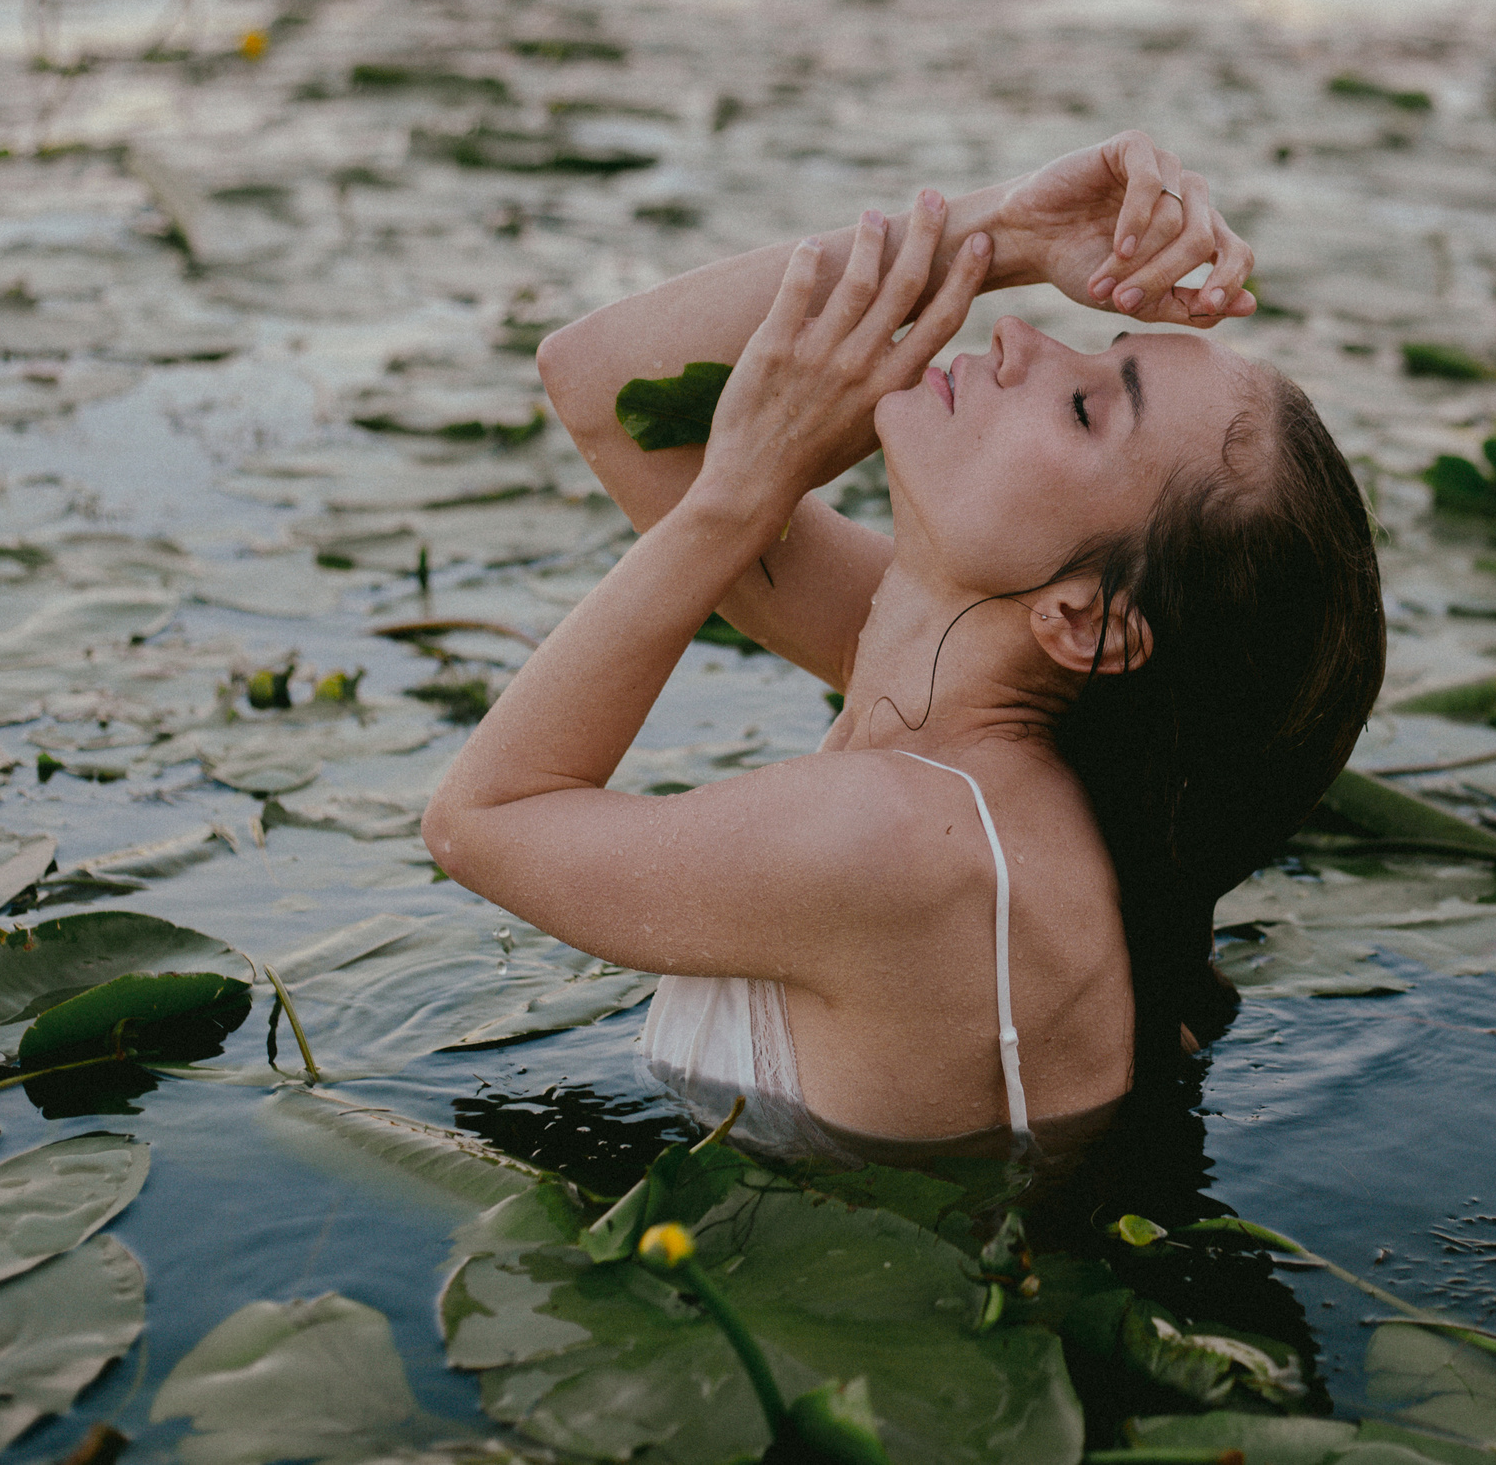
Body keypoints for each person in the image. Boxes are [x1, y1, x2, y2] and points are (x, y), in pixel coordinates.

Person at [422, 131, 1385, 1164]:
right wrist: (1007, 231)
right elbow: (603, 379)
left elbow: (478, 822)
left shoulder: (893, 840)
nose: (1018, 337)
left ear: (1086, 621)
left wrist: (743, 495)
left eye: (1082, 408)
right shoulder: (952, 684)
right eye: (1096, 347)